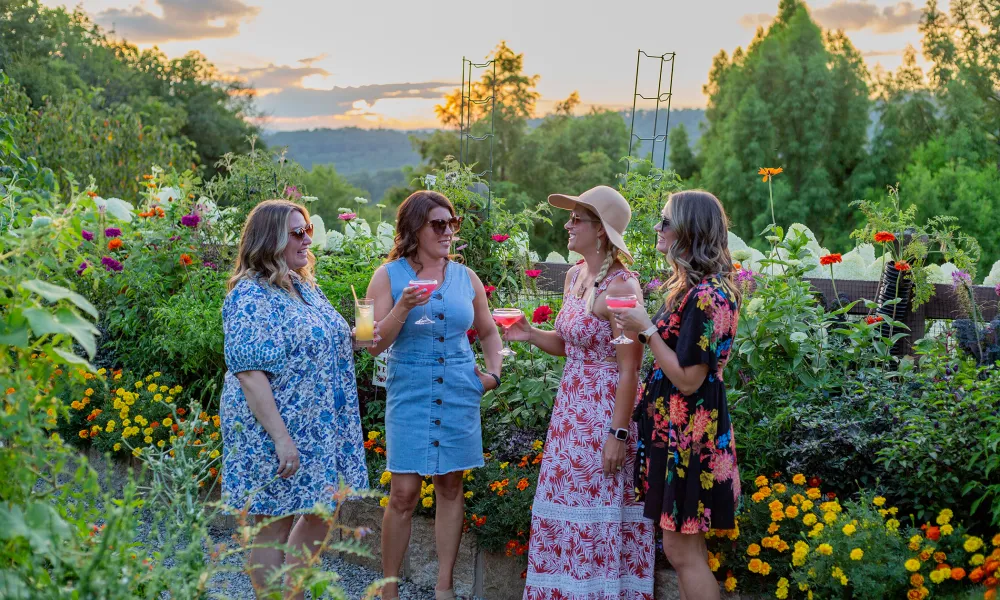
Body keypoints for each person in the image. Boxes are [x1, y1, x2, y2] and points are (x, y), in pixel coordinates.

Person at [504, 185, 655, 600]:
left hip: (606, 415)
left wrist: (618, 434)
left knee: (597, 516)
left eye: (577, 219)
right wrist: (531, 334)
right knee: (566, 514)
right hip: (570, 415)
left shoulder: (622, 289)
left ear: (602, 231)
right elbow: (571, 345)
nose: (568, 224)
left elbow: (631, 368)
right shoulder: (574, 275)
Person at [219, 199, 369, 599]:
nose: (306, 239)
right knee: (274, 522)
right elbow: (249, 372)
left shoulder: (302, 285)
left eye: (308, 231)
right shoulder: (251, 294)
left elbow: (322, 341)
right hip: (273, 423)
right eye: (296, 232)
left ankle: (294, 590)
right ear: (270, 240)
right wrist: (281, 438)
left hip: (317, 424)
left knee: (323, 508)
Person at [365, 190, 503, 600]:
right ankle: (389, 588)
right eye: (437, 224)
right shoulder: (388, 276)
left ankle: (443, 587)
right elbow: (372, 344)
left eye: (452, 223)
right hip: (410, 389)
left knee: (450, 485)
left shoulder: (466, 277)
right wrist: (403, 307)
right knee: (403, 492)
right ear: (414, 228)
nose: (447, 231)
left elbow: (490, 331)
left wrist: (492, 375)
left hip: (461, 388)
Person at [609, 190, 741, 600]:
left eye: (665, 221)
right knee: (689, 549)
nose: (657, 228)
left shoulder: (707, 294)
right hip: (685, 433)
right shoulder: (702, 287)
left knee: (681, 551)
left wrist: (646, 328)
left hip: (689, 439)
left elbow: (688, 379)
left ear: (690, 229)